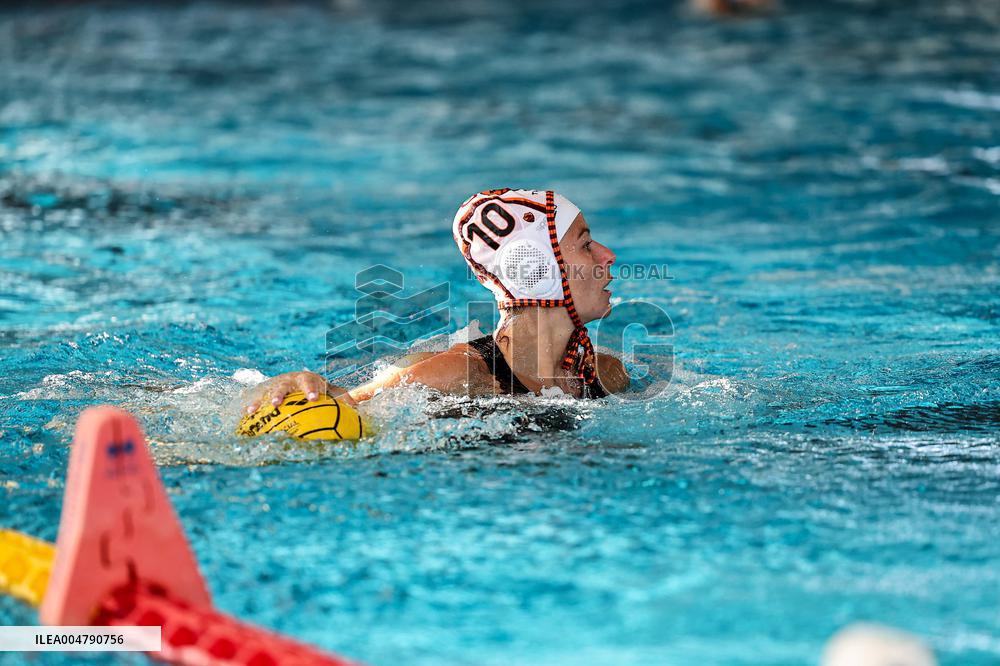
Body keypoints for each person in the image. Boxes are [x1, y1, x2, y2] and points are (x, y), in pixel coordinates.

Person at [243, 189, 629, 414]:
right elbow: (342, 409)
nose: (607, 254)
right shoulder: (451, 377)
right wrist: (297, 387)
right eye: (584, 243)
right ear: (537, 270)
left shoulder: (604, 376)